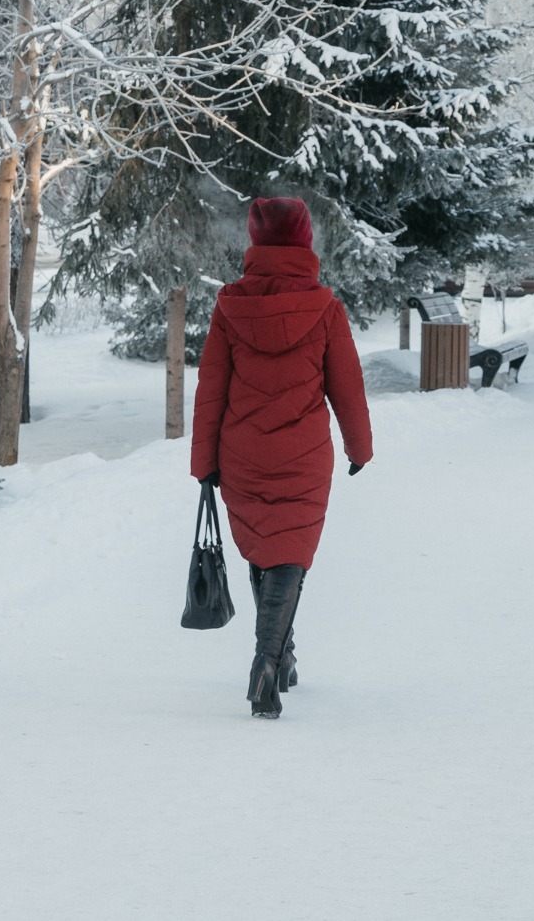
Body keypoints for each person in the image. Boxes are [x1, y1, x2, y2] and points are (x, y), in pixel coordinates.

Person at [189, 198, 373, 718]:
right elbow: (348, 387)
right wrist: (359, 448)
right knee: (289, 551)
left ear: (256, 242)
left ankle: (281, 655)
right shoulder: (325, 307)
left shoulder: (230, 306)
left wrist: (205, 463)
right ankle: (267, 660)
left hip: (242, 452)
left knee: (262, 547)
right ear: (305, 242)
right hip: (304, 454)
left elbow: (211, 390)